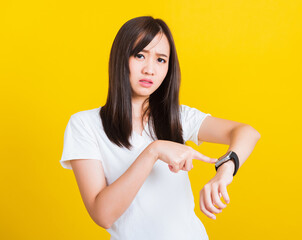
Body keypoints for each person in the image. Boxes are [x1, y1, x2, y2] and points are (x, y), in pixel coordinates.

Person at [59, 16, 260, 240]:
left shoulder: (178, 117)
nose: (150, 69)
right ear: (120, 58)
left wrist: (224, 170)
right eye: (140, 55)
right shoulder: (85, 125)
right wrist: (153, 151)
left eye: (161, 60)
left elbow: (247, 133)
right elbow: (102, 214)